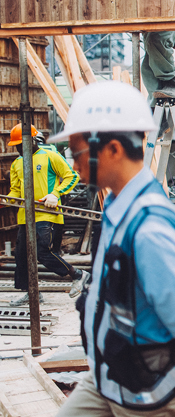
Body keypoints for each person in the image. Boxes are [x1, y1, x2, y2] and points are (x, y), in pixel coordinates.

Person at [52, 81, 175, 416]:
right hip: (111, 368)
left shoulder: (149, 225)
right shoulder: (117, 206)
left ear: (112, 149)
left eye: (77, 153)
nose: (74, 165)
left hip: (148, 379)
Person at [8, 123, 88, 307]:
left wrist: (55, 194)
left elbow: (72, 176)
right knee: (22, 257)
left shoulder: (50, 156)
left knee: (43, 252)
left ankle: (79, 275)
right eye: (17, 146)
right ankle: (31, 293)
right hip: (25, 217)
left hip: (47, 215)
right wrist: (6, 201)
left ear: (33, 141)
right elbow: (15, 192)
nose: (20, 149)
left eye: (22, 144)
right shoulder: (17, 164)